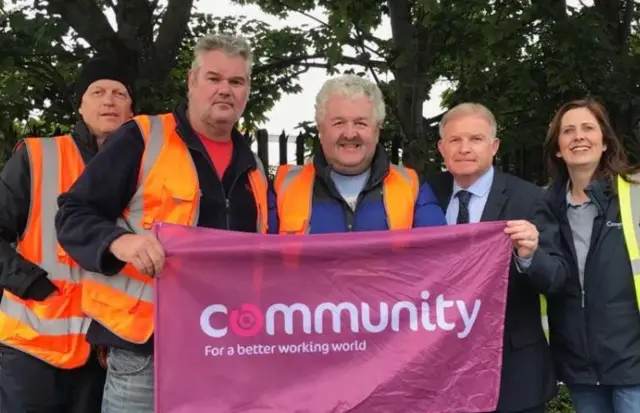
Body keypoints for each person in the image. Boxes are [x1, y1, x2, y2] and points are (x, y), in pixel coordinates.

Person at [54, 34, 269, 413]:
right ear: (192, 80)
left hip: (228, 349)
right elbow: (73, 213)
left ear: (247, 89)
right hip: (146, 354)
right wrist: (120, 243)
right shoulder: (143, 137)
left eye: (236, 82)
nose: (225, 90)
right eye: (214, 78)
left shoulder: (253, 167)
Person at [0, 57, 134, 413]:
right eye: (98, 92)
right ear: (81, 104)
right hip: (32, 344)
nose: (109, 100)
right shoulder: (38, 156)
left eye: (119, 93)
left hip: (106, 350)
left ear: (131, 108)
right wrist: (29, 282)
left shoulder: (148, 169)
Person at [427, 102, 568, 413]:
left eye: (475, 139)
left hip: (513, 374)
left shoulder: (530, 198)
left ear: (494, 147)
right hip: (443, 371)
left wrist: (530, 255)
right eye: (455, 140)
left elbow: (557, 277)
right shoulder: (425, 194)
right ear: (441, 147)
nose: (464, 149)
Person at [538, 99, 640, 412]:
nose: (578, 136)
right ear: (558, 148)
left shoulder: (636, 190)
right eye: (568, 131)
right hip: (579, 370)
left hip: (633, 365)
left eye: (587, 128)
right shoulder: (543, 205)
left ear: (605, 142)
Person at [269, 74, 446, 233]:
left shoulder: (412, 187)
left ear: (377, 131)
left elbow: (439, 255)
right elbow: (259, 261)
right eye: (338, 123)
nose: (350, 133)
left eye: (360, 123)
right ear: (320, 130)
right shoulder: (282, 187)